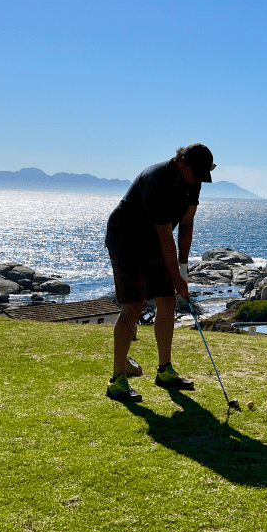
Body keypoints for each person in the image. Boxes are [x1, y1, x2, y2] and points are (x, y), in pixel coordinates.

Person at [103, 143, 215, 402]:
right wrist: (177, 279)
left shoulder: (193, 180)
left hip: (154, 243)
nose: (197, 180)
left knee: (168, 301)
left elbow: (186, 224)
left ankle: (164, 371)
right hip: (126, 241)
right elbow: (166, 237)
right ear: (182, 162)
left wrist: (183, 269)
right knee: (133, 306)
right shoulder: (157, 180)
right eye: (195, 173)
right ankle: (117, 380)